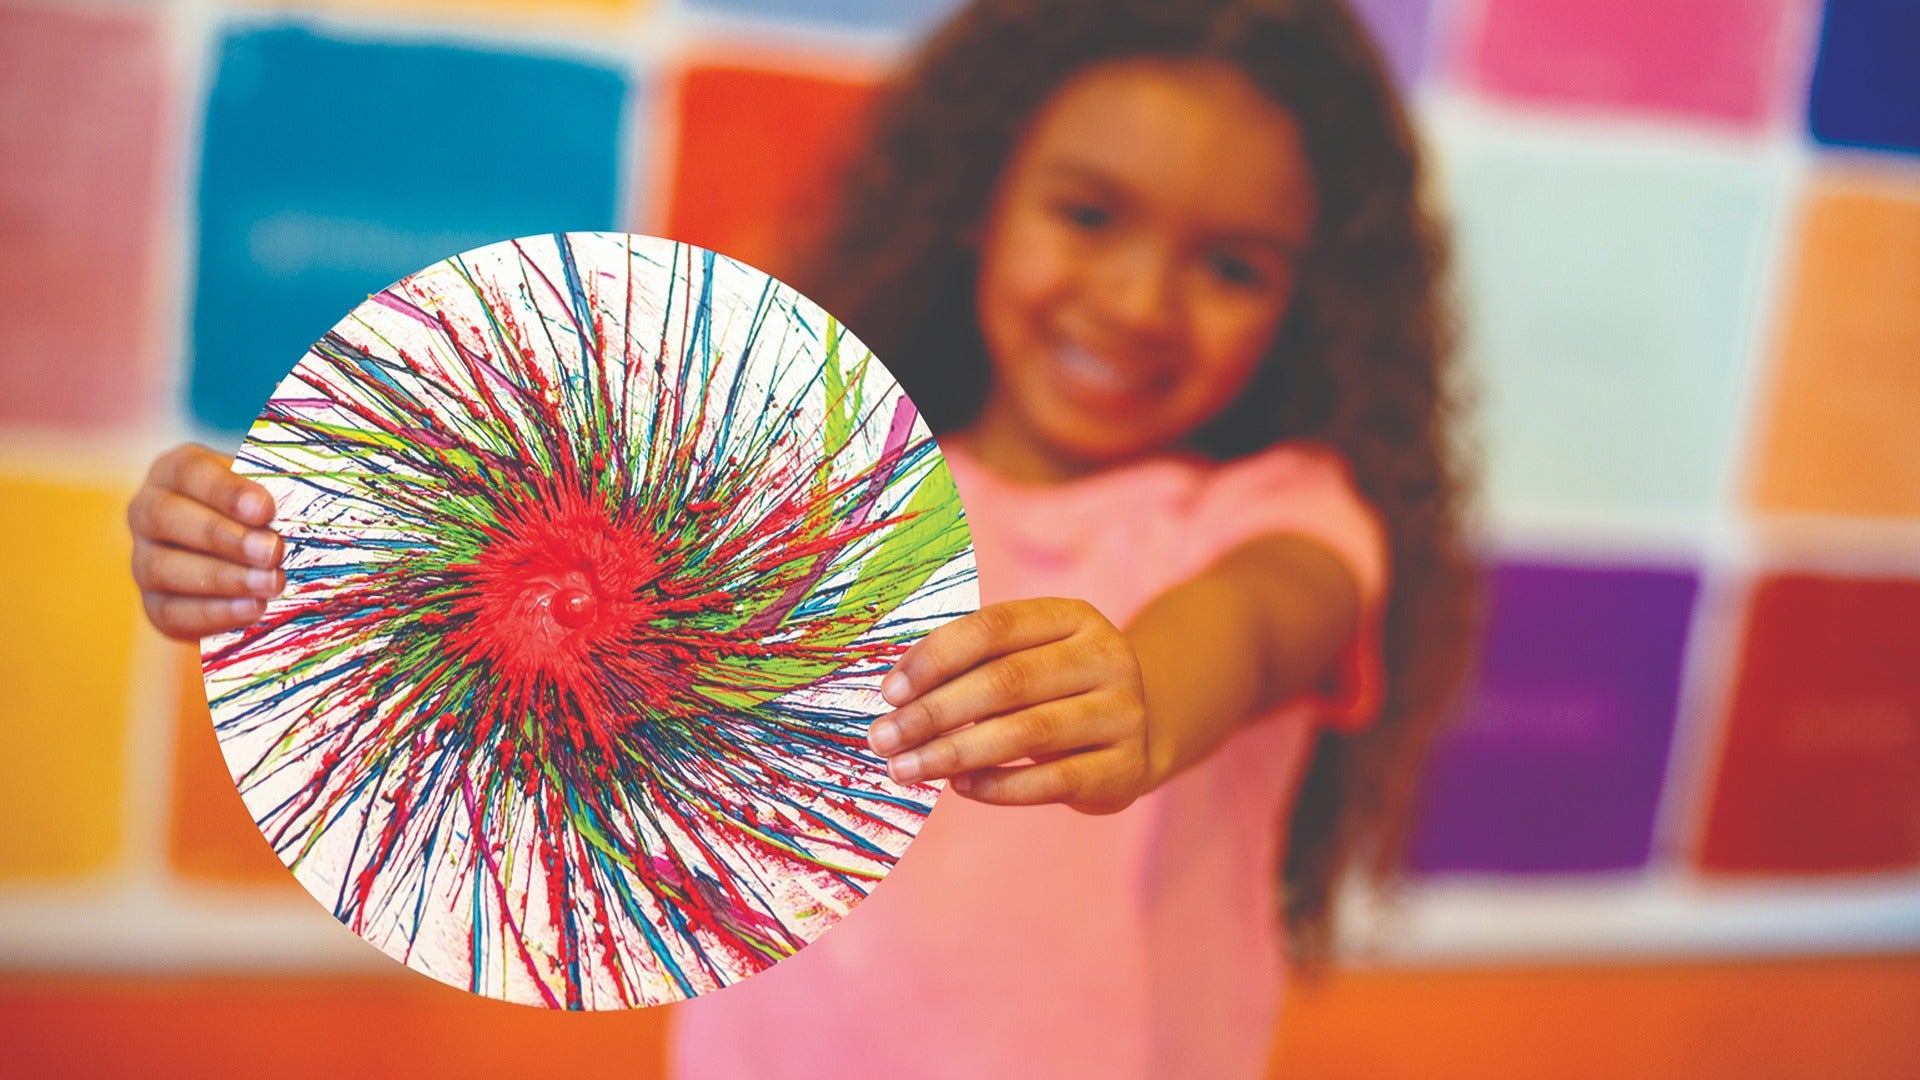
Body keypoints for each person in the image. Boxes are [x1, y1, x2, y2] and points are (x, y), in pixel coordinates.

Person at [126, 0, 1476, 1074]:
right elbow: (515, 604)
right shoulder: (808, 493)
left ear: (1313, 307)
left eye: (1232, 266)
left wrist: (1143, 691)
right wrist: (270, 553)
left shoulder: (1284, 510)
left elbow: (1253, 624)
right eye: (1089, 214)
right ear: (978, 198)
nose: (1137, 298)